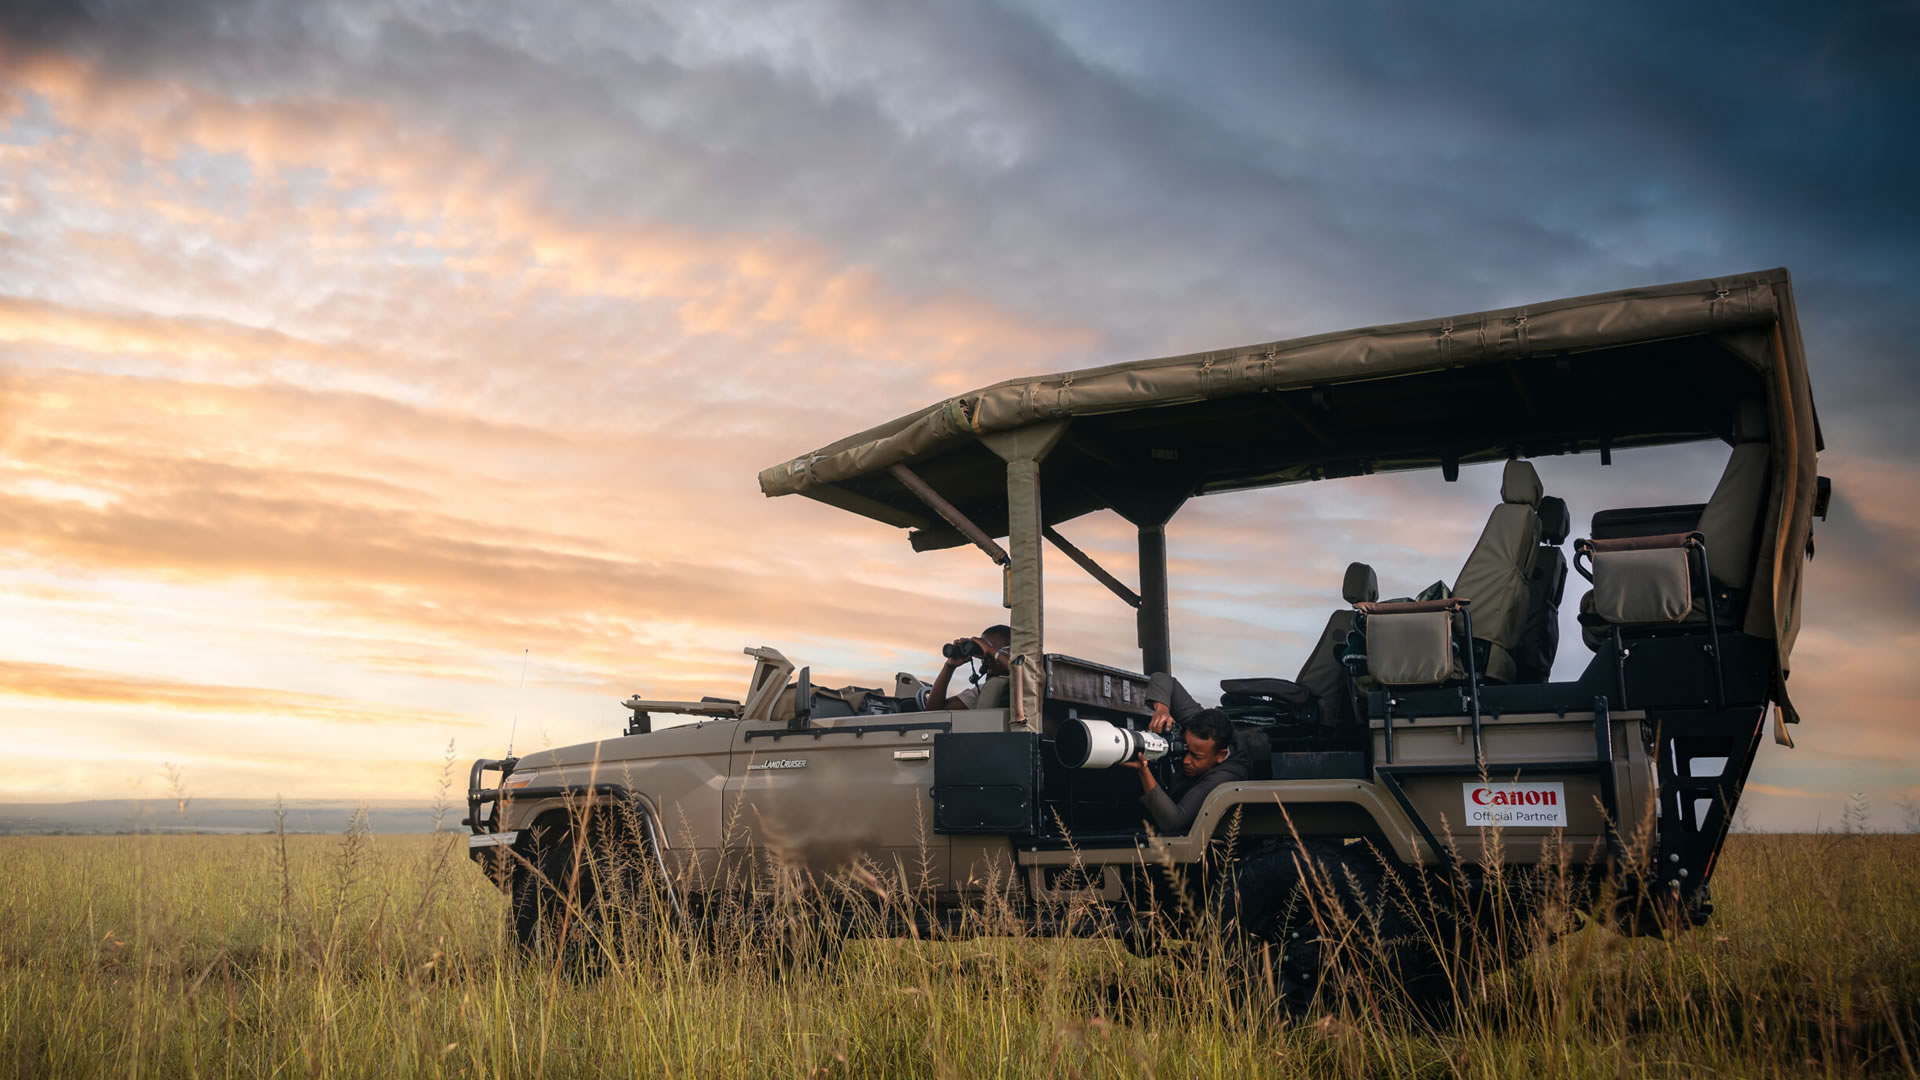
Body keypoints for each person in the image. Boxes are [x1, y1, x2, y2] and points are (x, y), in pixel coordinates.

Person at [1122, 707, 1248, 835]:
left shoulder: (1225, 777)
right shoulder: (1201, 722)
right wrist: (1162, 709)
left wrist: (1144, 771)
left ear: (1221, 755)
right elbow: (1171, 685)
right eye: (1184, 748)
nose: (1186, 760)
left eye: (1196, 756)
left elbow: (1174, 822)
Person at [927, 624, 1012, 710]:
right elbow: (934, 711)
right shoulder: (985, 691)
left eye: (993, 650)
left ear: (1011, 650)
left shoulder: (1022, 680)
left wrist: (990, 650)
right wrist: (949, 667)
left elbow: (1020, 672)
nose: (987, 656)